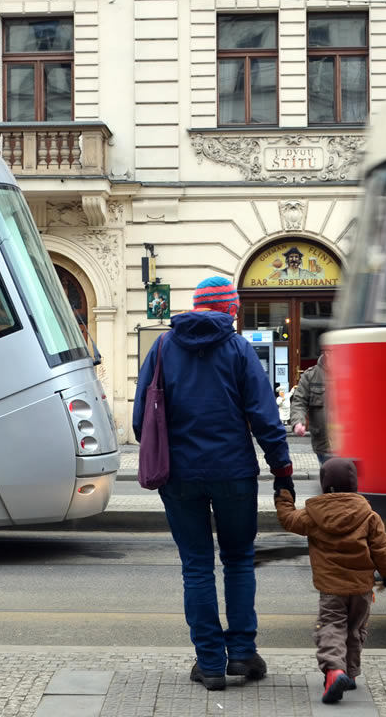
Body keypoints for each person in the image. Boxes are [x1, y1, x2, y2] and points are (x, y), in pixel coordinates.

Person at [132, 275, 292, 692]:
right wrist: (282, 467)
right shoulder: (238, 349)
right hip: (234, 473)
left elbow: (140, 419)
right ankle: (241, 653)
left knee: (197, 565)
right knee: (238, 560)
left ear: (196, 305)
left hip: (179, 475)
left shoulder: (163, 347)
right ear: (228, 310)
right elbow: (264, 416)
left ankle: (209, 664)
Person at [275, 458, 386, 704]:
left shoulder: (314, 515)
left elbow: (288, 519)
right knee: (355, 630)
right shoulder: (368, 514)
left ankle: (334, 671)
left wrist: (284, 495)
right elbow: (381, 547)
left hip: (332, 590)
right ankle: (350, 674)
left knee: (331, 628)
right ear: (353, 485)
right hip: (362, 589)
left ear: (324, 485)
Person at [290, 353, 330, 464]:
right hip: (324, 444)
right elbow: (299, 401)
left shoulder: (354, 371)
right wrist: (298, 421)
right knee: (330, 478)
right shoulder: (311, 375)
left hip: (350, 445)